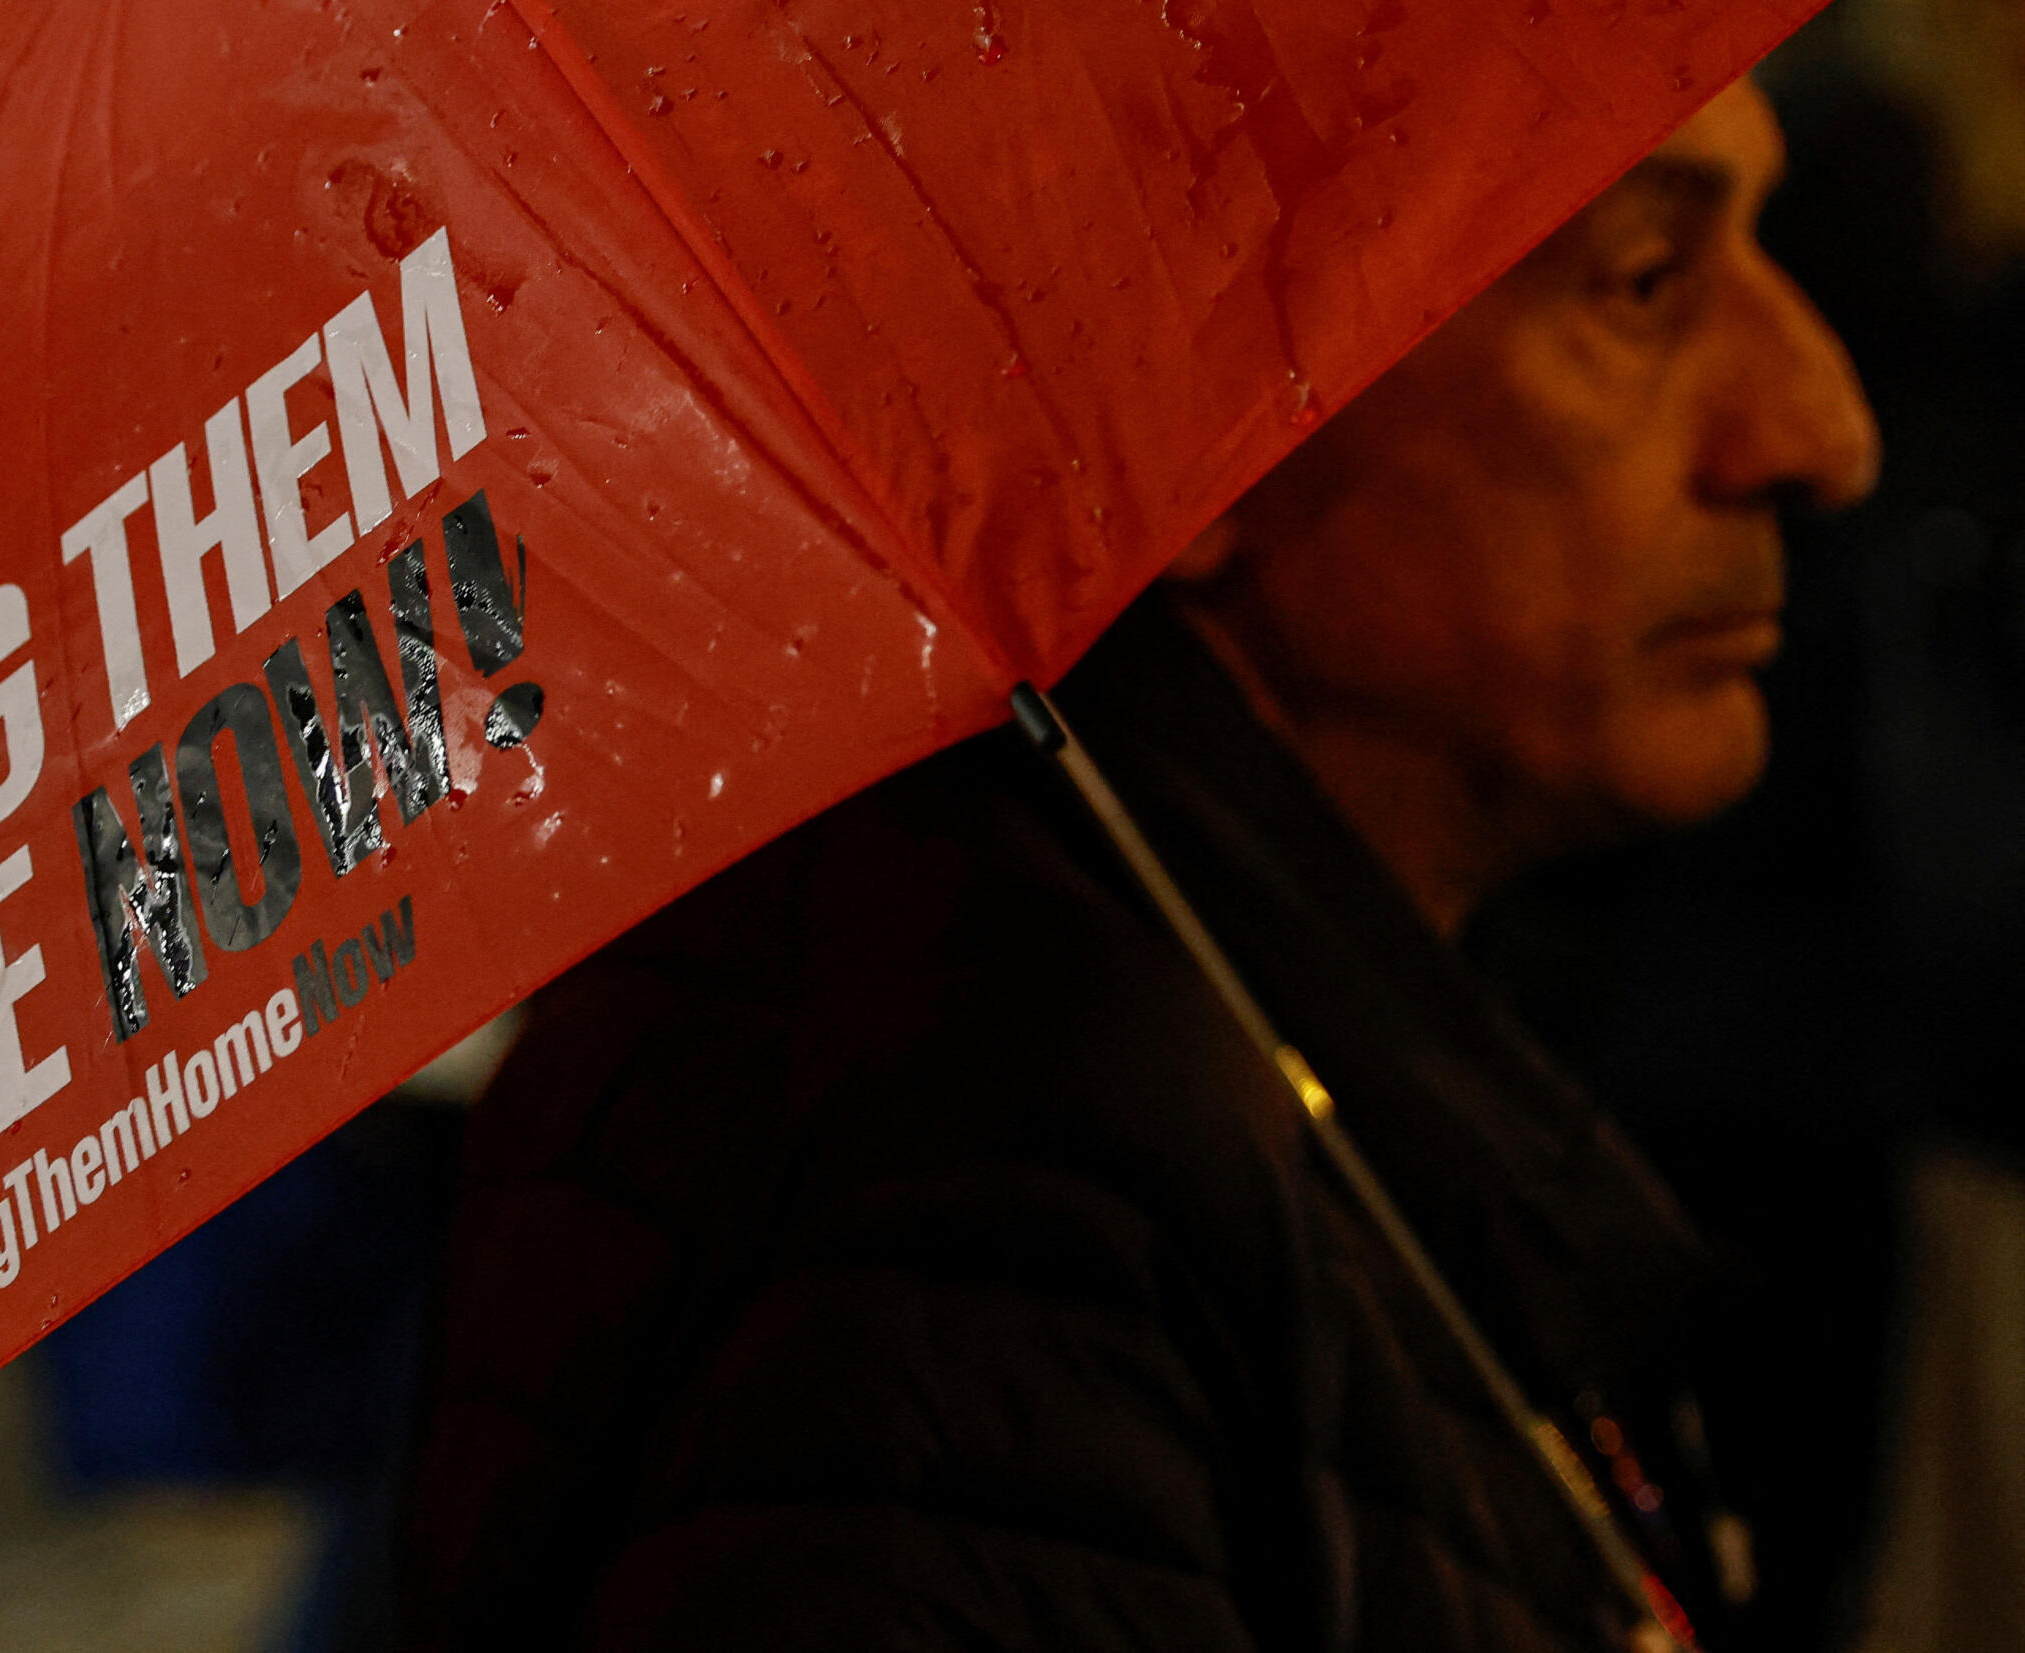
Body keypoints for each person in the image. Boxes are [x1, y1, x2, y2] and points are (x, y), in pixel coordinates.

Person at [391, 74, 1879, 1653]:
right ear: (1188, 429)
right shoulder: (982, 1176)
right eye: (1643, 286)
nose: (1817, 429)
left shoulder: (1191, 1036)